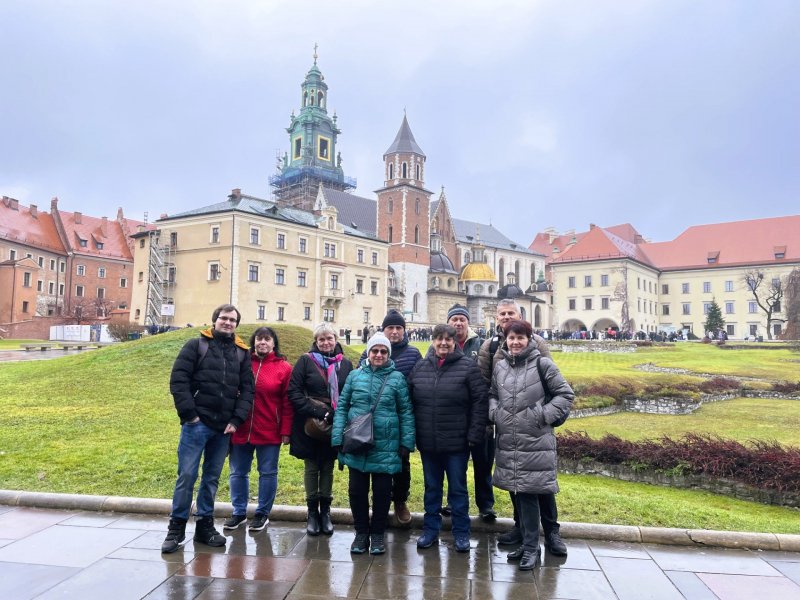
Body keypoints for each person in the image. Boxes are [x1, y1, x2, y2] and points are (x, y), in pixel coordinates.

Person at [162, 304, 254, 553]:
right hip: (197, 424)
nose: (227, 323)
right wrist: (190, 415)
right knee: (187, 477)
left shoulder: (241, 353)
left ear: (236, 324)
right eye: (223, 318)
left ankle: (204, 525)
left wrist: (236, 420)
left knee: (211, 479)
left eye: (232, 320)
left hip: (223, 428)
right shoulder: (196, 346)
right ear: (214, 321)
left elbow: (247, 390)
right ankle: (177, 527)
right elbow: (178, 380)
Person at [477, 300, 566, 555]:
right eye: (502, 314)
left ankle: (552, 533)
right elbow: (486, 385)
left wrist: (542, 415)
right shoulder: (491, 346)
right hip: (507, 426)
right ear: (497, 318)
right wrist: (493, 415)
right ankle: (522, 528)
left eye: (511, 313)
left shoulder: (537, 344)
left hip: (534, 426)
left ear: (520, 316)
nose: (506, 317)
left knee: (542, 485)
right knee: (516, 481)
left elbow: (551, 384)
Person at [490, 319, 574, 570]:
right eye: (511, 338)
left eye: (520, 338)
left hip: (536, 440)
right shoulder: (501, 367)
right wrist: (495, 413)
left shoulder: (542, 363)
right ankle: (528, 545)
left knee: (527, 494)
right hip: (510, 439)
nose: (515, 343)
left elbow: (565, 394)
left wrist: (542, 415)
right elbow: (492, 394)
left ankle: (531, 548)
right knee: (519, 492)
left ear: (529, 339)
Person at [407, 323, 488, 553]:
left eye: (448, 340)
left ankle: (461, 532)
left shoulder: (467, 368)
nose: (444, 343)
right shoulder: (421, 367)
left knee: (458, 489)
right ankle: (430, 530)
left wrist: (474, 434)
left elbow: (479, 402)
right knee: (432, 488)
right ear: (433, 341)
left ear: (454, 343)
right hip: (429, 442)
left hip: (456, 443)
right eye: (439, 339)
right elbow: (409, 401)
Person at [332, 332, 415, 555]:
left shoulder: (397, 378)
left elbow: (405, 411)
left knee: (381, 492)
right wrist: (337, 438)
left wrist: (406, 443)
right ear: (368, 352)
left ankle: (377, 533)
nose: (379, 355)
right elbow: (342, 407)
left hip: (386, 444)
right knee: (356, 491)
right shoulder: (354, 376)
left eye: (383, 351)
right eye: (375, 350)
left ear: (388, 354)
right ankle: (361, 533)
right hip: (357, 442)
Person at [225, 327, 293, 532]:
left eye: (267, 339)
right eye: (258, 339)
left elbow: (287, 403)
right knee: (238, 472)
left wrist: (286, 430)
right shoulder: (242, 363)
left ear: (274, 343)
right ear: (253, 342)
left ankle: (262, 513)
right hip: (241, 427)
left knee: (268, 472)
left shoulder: (284, 368)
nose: (262, 342)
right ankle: (238, 512)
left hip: (269, 429)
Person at [288, 323, 354, 536]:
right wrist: (320, 412)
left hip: (336, 422)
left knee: (327, 465)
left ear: (336, 339)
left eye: (329, 338)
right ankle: (312, 513)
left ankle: (325, 511)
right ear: (316, 342)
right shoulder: (305, 361)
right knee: (312, 466)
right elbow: (294, 393)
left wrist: (338, 414)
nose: (326, 342)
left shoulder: (346, 364)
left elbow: (350, 393)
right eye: (321, 339)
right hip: (311, 423)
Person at [358, 309, 422, 525]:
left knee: (401, 464)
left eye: (398, 328)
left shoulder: (413, 354)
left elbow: (418, 383)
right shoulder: (369, 353)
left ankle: (400, 501)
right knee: (374, 463)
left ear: (404, 330)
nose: (394, 332)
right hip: (375, 419)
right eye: (390, 328)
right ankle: (378, 505)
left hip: (401, 416)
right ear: (383, 329)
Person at [443, 303, 494, 522]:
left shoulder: (480, 344)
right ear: (448, 323)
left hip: (479, 415)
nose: (458, 323)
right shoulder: (441, 344)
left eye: (461, 319)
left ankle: (486, 505)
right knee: (456, 465)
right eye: (454, 319)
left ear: (468, 322)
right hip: (453, 417)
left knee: (483, 463)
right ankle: (454, 503)